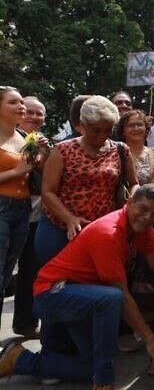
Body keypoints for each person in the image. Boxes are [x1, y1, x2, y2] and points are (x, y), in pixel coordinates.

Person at [0, 184, 154, 390]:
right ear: (129, 203)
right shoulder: (108, 233)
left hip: (84, 298)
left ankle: (19, 359)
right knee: (113, 299)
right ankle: (103, 383)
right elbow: (121, 294)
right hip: (52, 294)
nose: (147, 217)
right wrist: (151, 341)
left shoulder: (141, 229)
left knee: (91, 367)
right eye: (143, 209)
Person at [38, 95, 139, 267]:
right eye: (95, 130)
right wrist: (70, 219)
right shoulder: (63, 150)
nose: (102, 136)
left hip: (102, 230)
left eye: (107, 130)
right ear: (82, 125)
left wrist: (133, 197)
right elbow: (47, 191)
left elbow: (134, 183)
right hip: (60, 230)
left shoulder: (121, 150)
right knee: (55, 284)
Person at [0, 87, 39, 328]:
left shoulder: (25, 137)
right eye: (14, 102)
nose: (21, 106)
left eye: (22, 102)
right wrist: (16, 171)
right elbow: (20, 171)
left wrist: (40, 154)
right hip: (1, 208)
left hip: (23, 209)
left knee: (6, 277)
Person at [13, 96, 47, 338]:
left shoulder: (43, 143)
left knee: (29, 272)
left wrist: (43, 152)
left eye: (39, 114)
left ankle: (25, 323)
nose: (34, 117)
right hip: (10, 212)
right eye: (30, 112)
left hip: (36, 217)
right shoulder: (9, 139)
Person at [115, 110, 154, 185]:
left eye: (140, 124)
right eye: (131, 125)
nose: (136, 128)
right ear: (123, 130)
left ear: (146, 128)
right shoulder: (117, 154)